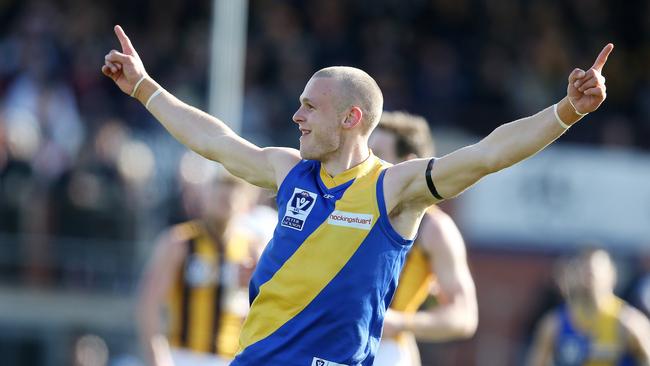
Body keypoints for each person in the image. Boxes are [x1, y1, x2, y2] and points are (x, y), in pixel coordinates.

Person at [103, 24, 612, 365]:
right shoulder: (289, 172)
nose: (297, 117)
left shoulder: (395, 188)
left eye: (309, 107)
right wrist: (145, 87)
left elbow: (488, 154)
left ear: (350, 119)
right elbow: (215, 141)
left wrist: (566, 111)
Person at [369, 111, 477, 366]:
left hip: (385, 353)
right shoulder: (355, 205)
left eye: (379, 155)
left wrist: (401, 322)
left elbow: (464, 316)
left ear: (408, 164)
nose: (369, 164)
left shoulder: (434, 228)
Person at [136, 160, 259, 366]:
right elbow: (148, 303)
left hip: (231, 359)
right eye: (220, 190)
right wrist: (158, 357)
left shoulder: (252, 248)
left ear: (246, 201)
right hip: (183, 357)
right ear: (205, 195)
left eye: (234, 191)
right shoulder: (180, 242)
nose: (227, 198)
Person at [526, 249, 650, 366]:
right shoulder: (555, 323)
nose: (589, 278)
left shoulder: (630, 322)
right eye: (584, 271)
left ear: (612, 276)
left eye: (594, 273)